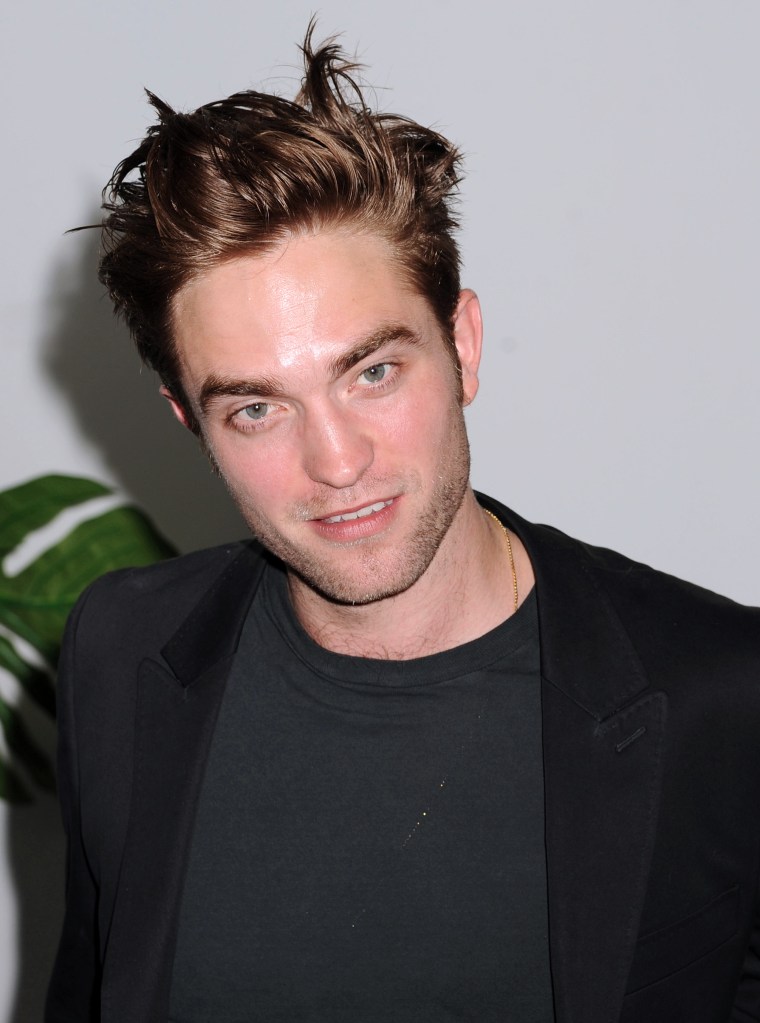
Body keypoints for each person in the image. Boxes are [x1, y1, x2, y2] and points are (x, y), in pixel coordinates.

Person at [46, 27, 760, 1023]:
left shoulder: (724, 695)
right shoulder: (119, 649)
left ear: (463, 344)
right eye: (256, 408)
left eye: (372, 371)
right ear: (190, 422)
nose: (337, 462)